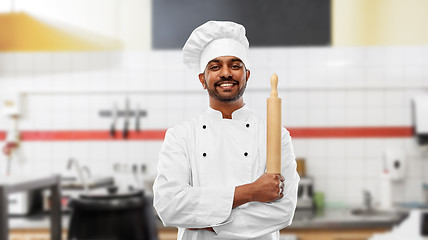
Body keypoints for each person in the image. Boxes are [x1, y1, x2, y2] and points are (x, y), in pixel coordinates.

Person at [153, 21, 300, 240]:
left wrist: (209, 223)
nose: (225, 73)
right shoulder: (181, 136)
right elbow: (168, 205)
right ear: (203, 80)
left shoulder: (275, 135)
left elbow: (284, 210)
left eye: (235, 65)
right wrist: (250, 192)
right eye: (215, 66)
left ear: (247, 75)